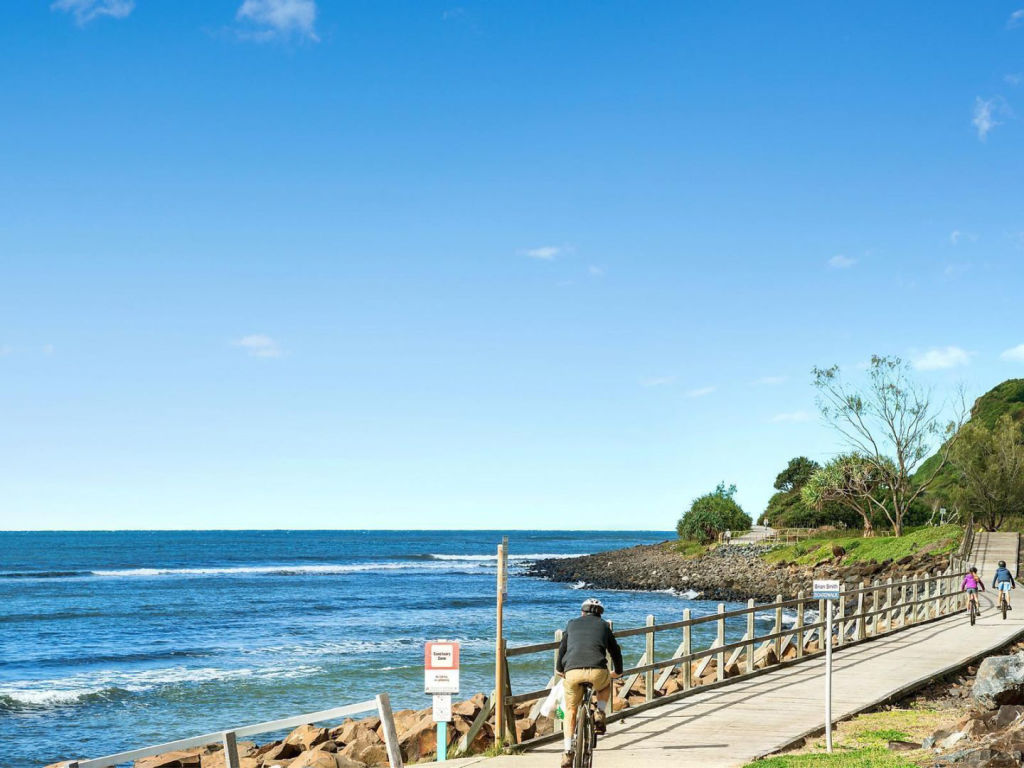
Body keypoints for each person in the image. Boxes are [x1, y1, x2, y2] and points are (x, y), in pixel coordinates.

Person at [555, 598, 623, 768]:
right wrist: (618, 671)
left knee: (570, 709)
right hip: (597, 671)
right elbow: (615, 650)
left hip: (572, 672)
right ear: (600, 614)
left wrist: (559, 669)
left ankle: (567, 752)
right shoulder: (604, 626)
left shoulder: (571, 624)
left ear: (582, 612)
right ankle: (600, 712)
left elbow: (562, 648)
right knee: (606, 683)